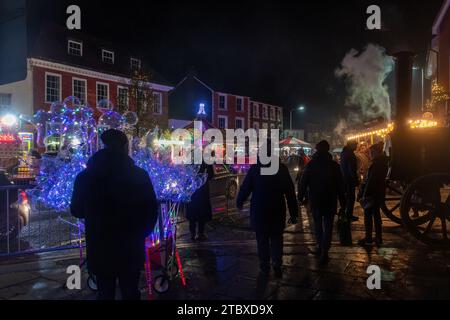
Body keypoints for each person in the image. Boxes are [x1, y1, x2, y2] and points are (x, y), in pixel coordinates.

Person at [71, 129, 158, 300]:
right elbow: (151, 209)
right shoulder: (139, 175)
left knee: (104, 292)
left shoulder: (85, 177)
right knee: (131, 291)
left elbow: (77, 210)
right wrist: (142, 233)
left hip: (100, 245)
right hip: (130, 246)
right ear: (125, 147)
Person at [236, 148, 298, 279]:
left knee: (262, 239)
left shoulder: (255, 169)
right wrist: (294, 213)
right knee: (276, 238)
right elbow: (290, 192)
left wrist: (240, 201)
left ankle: (264, 266)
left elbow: (246, 187)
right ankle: (277, 264)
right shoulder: (281, 169)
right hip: (277, 209)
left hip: (260, 210)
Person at [298, 140, 346, 265]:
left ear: (317, 150)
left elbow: (303, 182)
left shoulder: (311, 164)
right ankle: (325, 250)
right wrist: (343, 203)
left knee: (318, 225)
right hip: (330, 200)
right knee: (328, 226)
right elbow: (341, 186)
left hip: (316, 200)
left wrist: (301, 197)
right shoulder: (334, 165)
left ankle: (320, 245)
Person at [357, 142, 389, 247]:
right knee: (376, 215)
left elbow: (371, 180)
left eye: (371, 152)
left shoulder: (376, 163)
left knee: (368, 216)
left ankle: (368, 238)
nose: (369, 154)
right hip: (378, 192)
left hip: (372, 193)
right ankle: (378, 237)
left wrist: (365, 194)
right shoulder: (381, 162)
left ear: (375, 152)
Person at [186, 162, 214, 241]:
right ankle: (200, 233)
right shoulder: (206, 161)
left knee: (193, 213)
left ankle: (193, 233)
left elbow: (185, 174)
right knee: (202, 213)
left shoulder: (190, 160)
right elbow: (211, 175)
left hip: (192, 190)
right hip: (202, 190)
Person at [340, 140, 360, 222]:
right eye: (355, 145)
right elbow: (351, 168)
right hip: (349, 180)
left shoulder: (344, 153)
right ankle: (348, 215)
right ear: (351, 145)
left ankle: (344, 213)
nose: (356, 146)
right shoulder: (349, 154)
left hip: (345, 178)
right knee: (351, 198)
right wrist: (355, 179)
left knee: (347, 197)